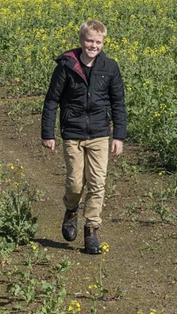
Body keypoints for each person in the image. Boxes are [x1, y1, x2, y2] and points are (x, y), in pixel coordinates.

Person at [40, 19, 126, 254]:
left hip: (99, 133)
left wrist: (118, 135)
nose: (93, 45)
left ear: (103, 42)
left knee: (98, 183)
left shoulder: (110, 67)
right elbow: (51, 100)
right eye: (89, 40)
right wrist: (48, 133)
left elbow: (118, 102)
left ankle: (91, 230)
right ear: (81, 40)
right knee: (76, 184)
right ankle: (71, 209)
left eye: (98, 41)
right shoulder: (67, 66)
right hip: (73, 134)